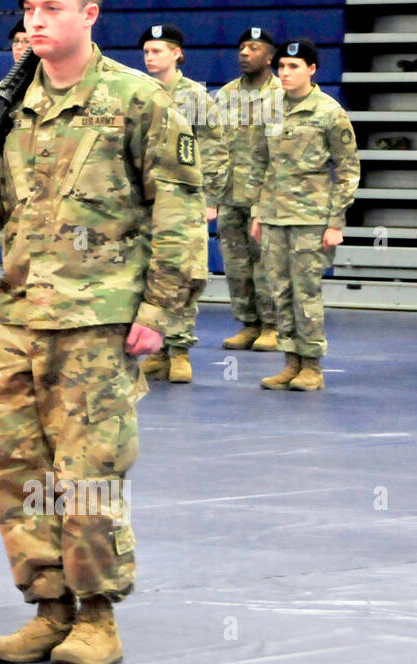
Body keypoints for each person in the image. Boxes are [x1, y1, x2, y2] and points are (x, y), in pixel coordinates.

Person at [0, 0, 206, 664]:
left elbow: (181, 209)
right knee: (16, 468)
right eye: (30, 12)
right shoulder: (6, 107)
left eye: (55, 10)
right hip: (18, 316)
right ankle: (47, 607)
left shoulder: (139, 101)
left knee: (89, 471)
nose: (38, 21)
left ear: (91, 14)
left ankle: (97, 615)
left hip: (98, 316)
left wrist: (163, 309)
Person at [250, 38, 359, 392]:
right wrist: (257, 212)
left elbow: (347, 169)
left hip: (312, 218)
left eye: (293, 67)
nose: (285, 73)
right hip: (274, 216)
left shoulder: (329, 112)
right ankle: (290, 361)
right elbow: (259, 164)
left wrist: (335, 222)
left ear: (312, 69)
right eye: (281, 66)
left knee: (306, 293)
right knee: (279, 291)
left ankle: (312, 365)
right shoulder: (269, 107)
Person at [136, 23, 230, 383]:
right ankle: (157, 349)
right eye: (146, 51)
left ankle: (180, 350)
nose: (150, 57)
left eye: (157, 50)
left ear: (177, 53)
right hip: (148, 199)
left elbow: (215, 149)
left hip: (186, 197)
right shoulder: (139, 92)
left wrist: (211, 198)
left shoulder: (195, 96)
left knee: (185, 273)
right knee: (149, 272)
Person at [215, 28, 283, 351]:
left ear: (269, 57)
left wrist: (267, 199)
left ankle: (272, 325)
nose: (244, 52)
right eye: (241, 47)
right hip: (230, 194)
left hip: (264, 195)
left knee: (265, 263)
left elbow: (282, 154)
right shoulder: (225, 94)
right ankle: (249, 323)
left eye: (253, 48)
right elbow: (214, 145)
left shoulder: (282, 95)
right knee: (235, 264)